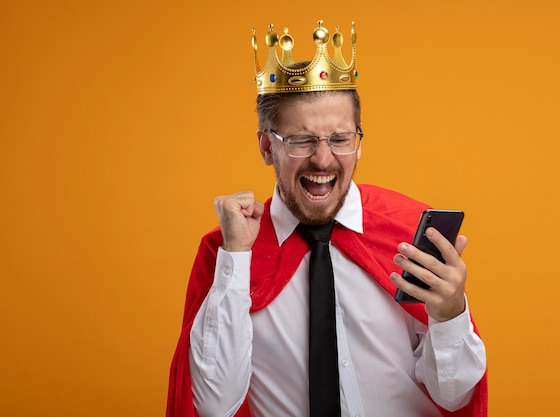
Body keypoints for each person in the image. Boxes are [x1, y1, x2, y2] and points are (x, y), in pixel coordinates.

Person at [167, 20, 487, 417]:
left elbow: (454, 397)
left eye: (339, 139)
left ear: (358, 141)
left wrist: (450, 315)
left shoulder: (409, 233)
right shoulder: (229, 253)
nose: (323, 159)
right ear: (267, 146)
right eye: (302, 140)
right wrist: (236, 259)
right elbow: (212, 405)